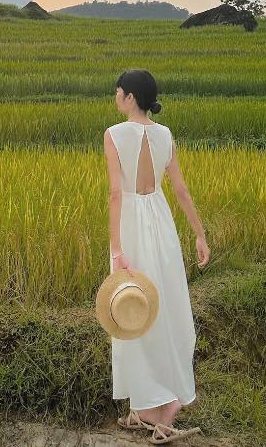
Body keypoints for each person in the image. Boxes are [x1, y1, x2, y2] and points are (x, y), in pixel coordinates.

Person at [104, 68, 210, 444]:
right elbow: (180, 189)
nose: (115, 97)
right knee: (164, 307)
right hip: (161, 222)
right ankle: (146, 408)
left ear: (129, 97)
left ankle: (163, 409)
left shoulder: (114, 135)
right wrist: (199, 234)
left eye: (118, 92)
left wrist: (116, 249)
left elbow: (116, 194)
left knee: (132, 313)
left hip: (131, 227)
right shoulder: (165, 135)